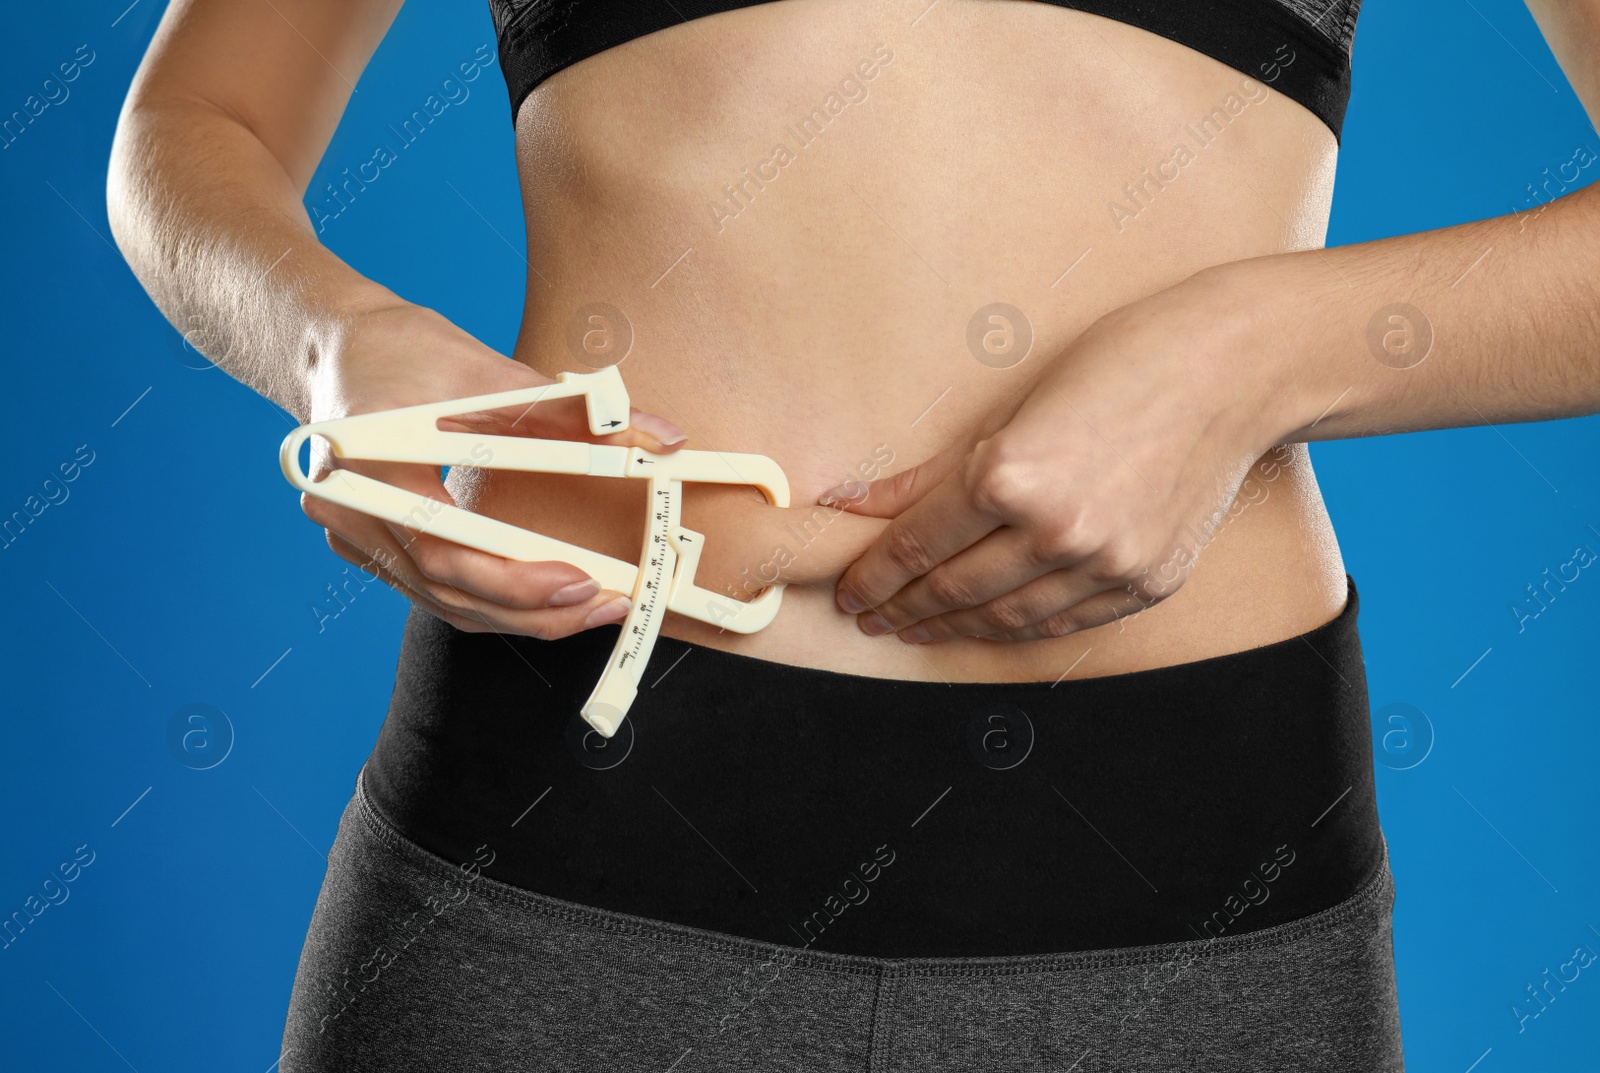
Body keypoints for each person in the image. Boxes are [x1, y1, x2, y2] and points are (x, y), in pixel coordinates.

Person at [105, 1, 1600, 1069]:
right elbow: (193, 123)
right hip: (559, 843)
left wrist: (1258, 350)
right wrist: (336, 346)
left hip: (1199, 890)